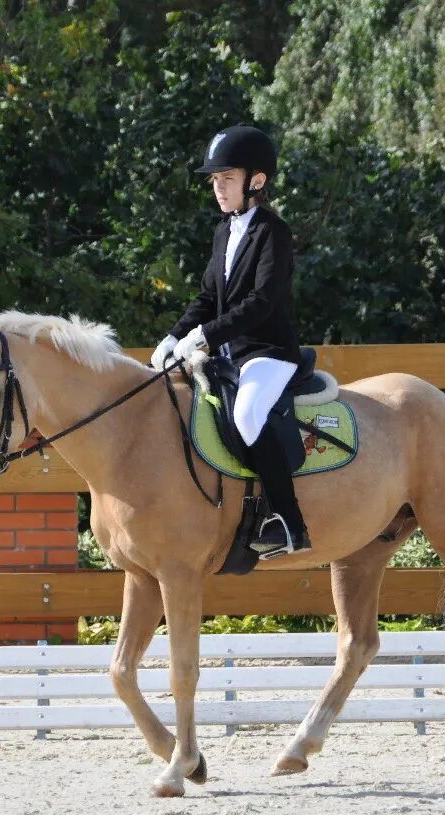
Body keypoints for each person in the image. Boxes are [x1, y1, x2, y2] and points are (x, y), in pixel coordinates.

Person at [150, 124, 311, 559]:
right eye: (215, 181)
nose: (218, 188)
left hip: (268, 353)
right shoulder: (225, 231)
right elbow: (209, 297)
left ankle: (288, 521)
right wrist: (174, 335)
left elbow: (260, 303)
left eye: (227, 179)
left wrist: (204, 336)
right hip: (228, 353)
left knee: (247, 413)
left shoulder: (274, 233)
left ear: (256, 181)